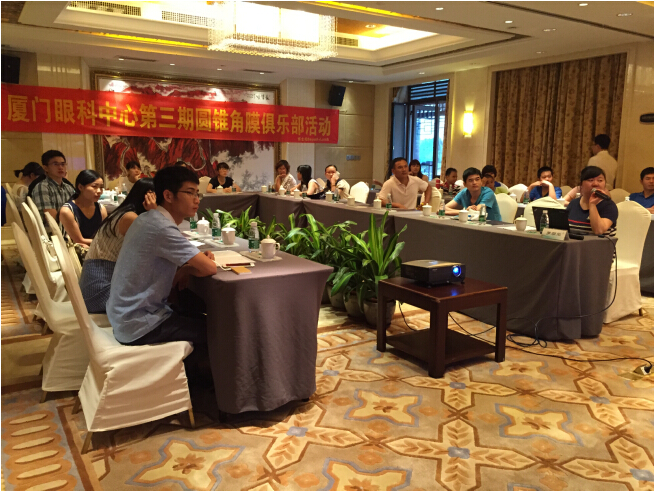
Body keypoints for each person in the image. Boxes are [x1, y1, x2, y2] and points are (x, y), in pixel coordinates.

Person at [107, 166, 217, 382]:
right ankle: (198, 385)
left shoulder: (147, 219)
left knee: (199, 314)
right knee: (217, 329)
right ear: (168, 195)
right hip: (139, 323)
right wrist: (189, 267)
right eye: (190, 193)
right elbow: (209, 268)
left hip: (124, 314)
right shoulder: (162, 227)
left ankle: (191, 378)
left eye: (198, 194)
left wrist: (185, 267)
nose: (197, 199)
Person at [79, 179, 157, 313]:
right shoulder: (130, 218)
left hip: (97, 284)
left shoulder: (125, 212)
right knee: (157, 293)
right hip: (100, 291)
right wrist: (155, 213)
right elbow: (159, 242)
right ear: (148, 197)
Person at [29, 150, 76, 229]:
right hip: (53, 233)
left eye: (63, 164)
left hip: (68, 229)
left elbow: (77, 211)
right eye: (55, 164)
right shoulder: (42, 187)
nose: (60, 167)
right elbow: (51, 219)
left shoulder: (68, 188)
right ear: (45, 168)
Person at [59, 170, 107, 246]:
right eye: (94, 186)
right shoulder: (67, 211)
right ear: (80, 187)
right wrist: (104, 242)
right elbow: (79, 240)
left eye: (101, 187)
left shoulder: (101, 209)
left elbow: (105, 235)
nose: (99, 191)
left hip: (96, 248)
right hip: (75, 250)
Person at [567, 166, 618, 236]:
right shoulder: (573, 204)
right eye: (591, 180)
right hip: (574, 243)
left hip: (600, 243)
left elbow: (599, 230)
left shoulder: (609, 206)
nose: (595, 184)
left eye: (600, 180)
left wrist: (592, 204)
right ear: (581, 184)